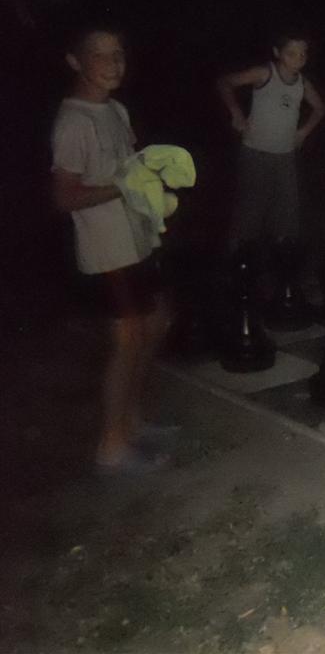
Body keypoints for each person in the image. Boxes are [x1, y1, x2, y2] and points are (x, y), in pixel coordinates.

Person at [51, 25, 173, 475]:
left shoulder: (116, 110)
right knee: (127, 338)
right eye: (100, 54)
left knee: (158, 321)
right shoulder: (73, 122)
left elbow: (129, 169)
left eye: (118, 53)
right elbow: (64, 197)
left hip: (137, 238)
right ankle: (111, 447)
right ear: (76, 61)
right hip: (107, 250)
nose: (113, 63)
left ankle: (132, 423)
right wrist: (120, 188)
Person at [217, 30, 325, 253]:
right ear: (277, 53)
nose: (298, 59)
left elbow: (320, 108)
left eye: (303, 54)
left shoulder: (302, 83)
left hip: (285, 156)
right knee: (251, 208)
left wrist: (304, 132)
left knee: (287, 210)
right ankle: (239, 257)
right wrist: (236, 112)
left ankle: (282, 258)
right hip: (255, 153)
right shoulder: (264, 73)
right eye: (291, 54)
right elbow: (224, 82)